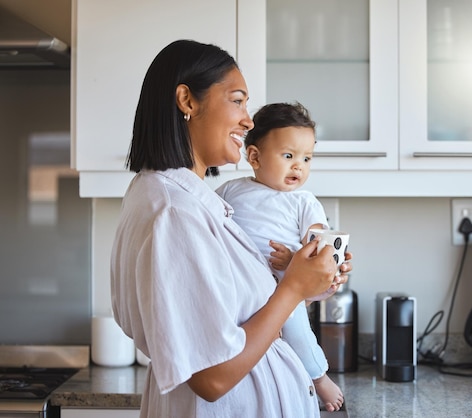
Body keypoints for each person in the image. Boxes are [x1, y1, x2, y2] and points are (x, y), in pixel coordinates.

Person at [109, 40, 351, 418]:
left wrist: (309, 281)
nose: (248, 120)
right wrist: (293, 288)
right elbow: (213, 377)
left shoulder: (186, 200)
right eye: (237, 100)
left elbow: (248, 311)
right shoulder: (175, 212)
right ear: (187, 101)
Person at [215, 102, 344, 412]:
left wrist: (294, 261)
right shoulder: (229, 191)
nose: (298, 166)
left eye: (306, 158)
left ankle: (318, 377)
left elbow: (319, 251)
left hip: (283, 288)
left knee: (297, 331)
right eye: (288, 156)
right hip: (240, 290)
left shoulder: (304, 202)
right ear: (255, 156)